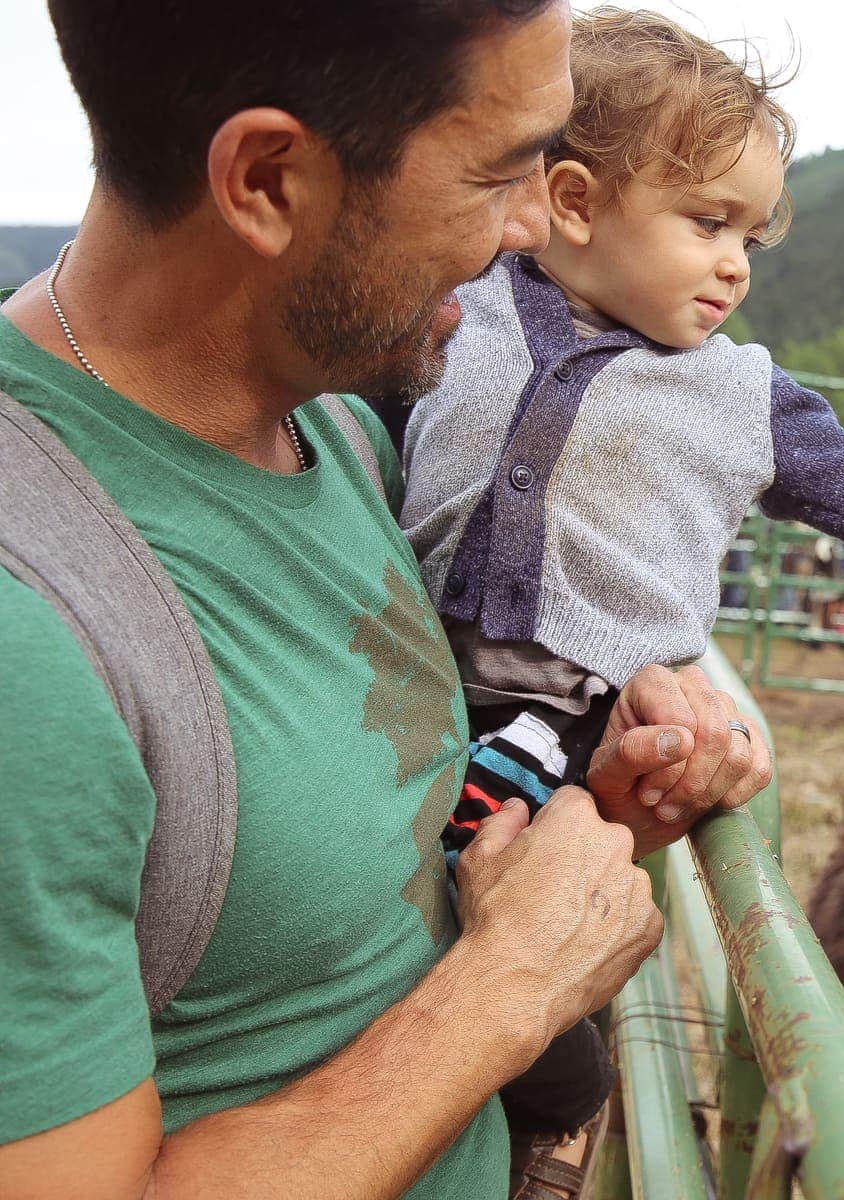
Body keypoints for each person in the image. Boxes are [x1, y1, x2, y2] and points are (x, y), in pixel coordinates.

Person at [0, 4, 768, 1199]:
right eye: (497, 172)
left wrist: (590, 797)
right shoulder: (27, 644)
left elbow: (339, 854)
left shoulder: (335, 431)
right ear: (266, 179)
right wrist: (510, 990)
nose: (532, 225)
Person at [402, 6, 844, 843]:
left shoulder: (737, 392)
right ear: (575, 203)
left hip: (590, 719)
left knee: (493, 848)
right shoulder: (453, 311)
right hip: (408, 671)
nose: (735, 264)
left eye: (750, 235)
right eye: (709, 223)